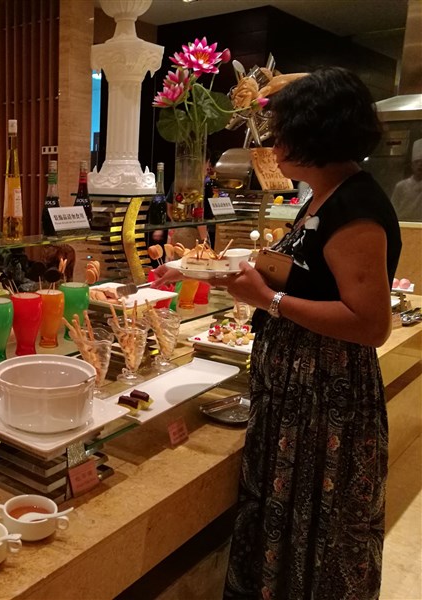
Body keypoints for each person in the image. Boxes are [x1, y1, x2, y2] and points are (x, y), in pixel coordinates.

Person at [154, 66, 401, 599]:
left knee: (320, 531)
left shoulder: (356, 209)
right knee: (286, 527)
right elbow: (306, 271)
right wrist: (199, 268)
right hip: (297, 392)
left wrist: (268, 302)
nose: (273, 145)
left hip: (325, 400)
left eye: (283, 131)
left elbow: (370, 324)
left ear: (318, 134)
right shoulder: (325, 196)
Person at [390, 138, 422, 221]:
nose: (420, 165)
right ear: (412, 165)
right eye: (417, 162)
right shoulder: (401, 186)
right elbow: (393, 208)